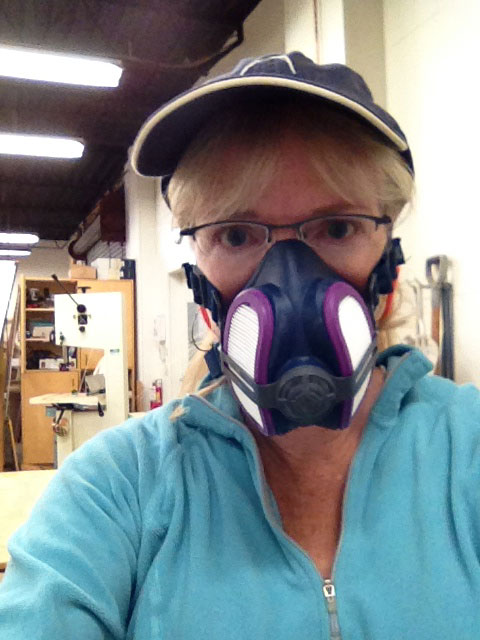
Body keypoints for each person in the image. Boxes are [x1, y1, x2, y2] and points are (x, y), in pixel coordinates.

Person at [1, 52, 480, 640]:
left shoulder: (468, 451)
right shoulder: (117, 488)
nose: (290, 281)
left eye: (337, 227)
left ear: (389, 262)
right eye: (235, 234)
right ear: (201, 286)